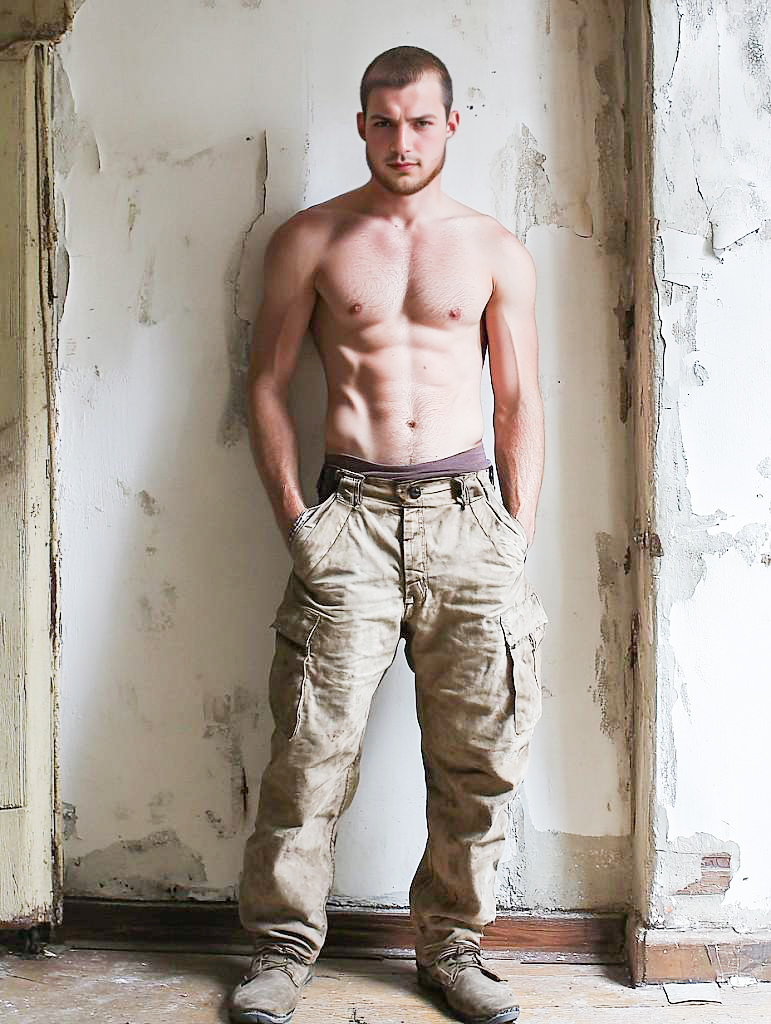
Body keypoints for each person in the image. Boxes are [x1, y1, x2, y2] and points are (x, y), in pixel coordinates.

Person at [228, 44, 548, 1024]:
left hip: (467, 522)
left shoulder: (493, 247)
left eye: (420, 120)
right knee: (310, 752)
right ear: (361, 125)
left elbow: (519, 397)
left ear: (451, 124)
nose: (401, 139)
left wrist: (512, 533)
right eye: (383, 120)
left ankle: (453, 950)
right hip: (350, 519)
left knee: (480, 754)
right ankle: (283, 953)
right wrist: (299, 522)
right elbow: (268, 385)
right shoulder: (312, 239)